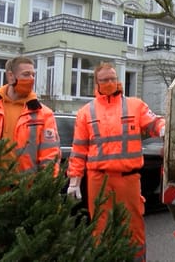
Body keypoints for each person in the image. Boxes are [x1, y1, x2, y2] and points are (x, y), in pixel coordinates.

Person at [66, 62, 165, 261]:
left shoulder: (135, 105)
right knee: (101, 228)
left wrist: (163, 128)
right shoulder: (86, 112)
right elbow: (79, 149)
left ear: (117, 79)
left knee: (133, 227)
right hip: (98, 180)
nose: (110, 82)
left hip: (128, 180)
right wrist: (74, 179)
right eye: (104, 80)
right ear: (97, 83)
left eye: (113, 78)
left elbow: (154, 122)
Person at [0, 56, 61, 182]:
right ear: (11, 76)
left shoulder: (43, 113)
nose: (31, 79)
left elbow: (50, 155)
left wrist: (47, 186)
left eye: (33, 75)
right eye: (26, 74)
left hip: (24, 189)